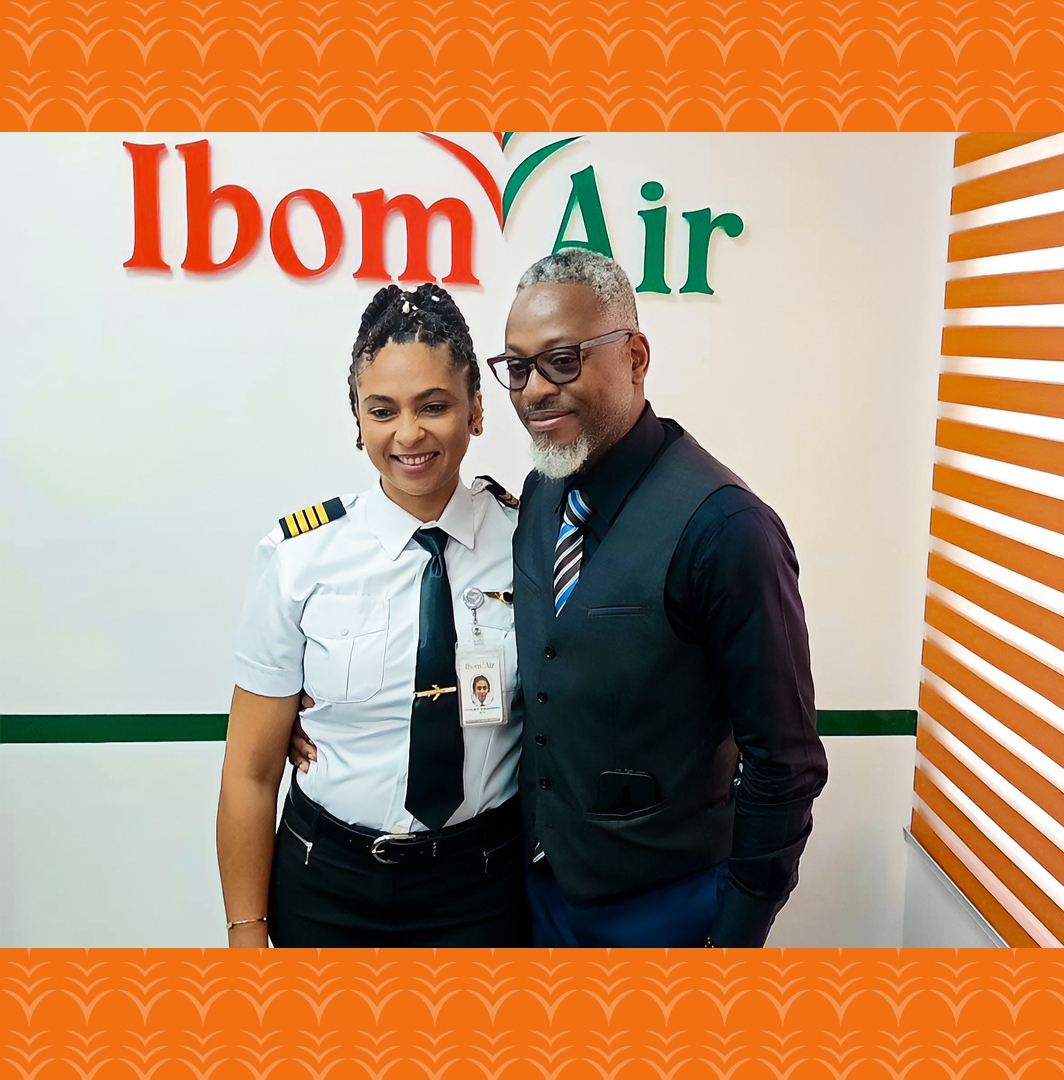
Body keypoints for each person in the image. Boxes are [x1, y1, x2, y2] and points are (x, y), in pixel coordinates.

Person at [484, 249, 829, 947]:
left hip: (671, 908)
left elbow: (785, 763)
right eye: (517, 368)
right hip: (542, 893)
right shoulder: (543, 493)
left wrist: (734, 935)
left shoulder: (728, 529)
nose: (534, 390)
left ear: (636, 358)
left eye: (562, 361)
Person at [216, 282, 529, 948]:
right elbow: (250, 770)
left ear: (476, 408)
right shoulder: (299, 557)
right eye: (382, 411)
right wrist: (246, 932)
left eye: (434, 406)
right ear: (358, 421)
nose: (408, 433)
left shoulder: (529, 546)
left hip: (482, 888)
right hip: (328, 886)